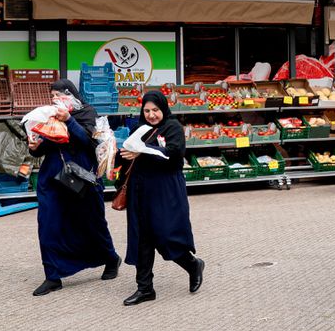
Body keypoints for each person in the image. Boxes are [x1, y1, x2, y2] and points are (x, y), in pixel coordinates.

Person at [27, 80, 121, 297]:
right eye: (52, 97)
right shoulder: (49, 115)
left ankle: (110, 258)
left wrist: (68, 120)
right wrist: (34, 148)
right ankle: (52, 276)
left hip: (82, 178)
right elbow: (43, 148)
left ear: (71, 95)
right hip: (52, 179)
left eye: (58, 96)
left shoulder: (88, 113)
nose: (54, 100)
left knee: (92, 223)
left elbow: (89, 143)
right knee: (48, 225)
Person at [118, 90, 204, 306]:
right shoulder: (140, 129)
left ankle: (192, 265)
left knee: (167, 235)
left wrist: (143, 151)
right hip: (140, 191)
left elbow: (174, 156)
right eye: (146, 110)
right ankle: (145, 288)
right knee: (142, 239)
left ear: (163, 108)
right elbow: (131, 156)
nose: (151, 115)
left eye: (155, 110)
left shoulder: (173, 127)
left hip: (165, 190)